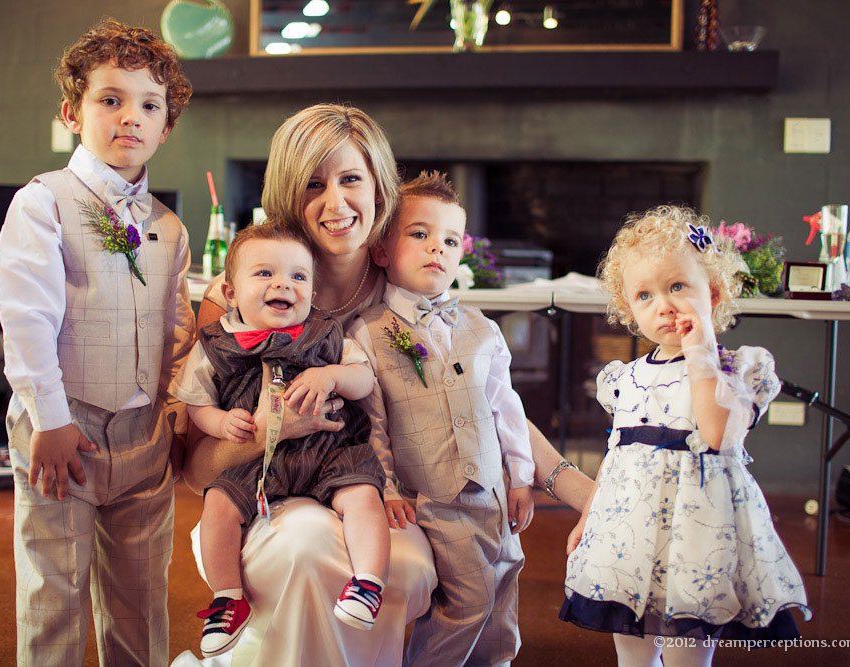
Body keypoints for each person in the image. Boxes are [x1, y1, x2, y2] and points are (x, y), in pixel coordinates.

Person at [181, 103, 593, 666]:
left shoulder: (406, 283)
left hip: (368, 492)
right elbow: (195, 467)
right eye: (312, 184)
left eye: (351, 178)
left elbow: (475, 396)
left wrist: (576, 488)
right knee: (303, 543)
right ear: (285, 194)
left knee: (408, 561)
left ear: (379, 187)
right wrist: (271, 431)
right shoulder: (239, 302)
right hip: (262, 497)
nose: (336, 202)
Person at [0, 20, 195, 666]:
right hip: (64, 431)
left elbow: (175, 330)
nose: (129, 117)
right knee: (56, 591)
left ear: (166, 127)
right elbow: (27, 318)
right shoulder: (42, 203)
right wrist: (49, 420)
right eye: (110, 99)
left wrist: (177, 411)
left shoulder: (169, 226)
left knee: (141, 595)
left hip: (143, 438)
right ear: (73, 113)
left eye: (148, 104)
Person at [559, 205, 811, 666]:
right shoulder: (626, 377)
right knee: (632, 656)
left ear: (712, 294)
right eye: (645, 296)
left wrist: (700, 351)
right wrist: (588, 519)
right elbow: (616, 458)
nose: (664, 304)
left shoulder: (736, 368)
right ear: (630, 310)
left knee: (685, 656)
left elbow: (718, 435)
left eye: (677, 286)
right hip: (627, 535)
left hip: (698, 536)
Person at [170, 223, 390, 656]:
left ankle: (368, 582)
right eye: (265, 274)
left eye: (298, 276)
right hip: (256, 463)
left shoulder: (327, 334)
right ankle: (227, 598)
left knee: (364, 495)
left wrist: (331, 376)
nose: (283, 284)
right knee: (217, 506)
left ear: (312, 292)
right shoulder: (216, 344)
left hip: (328, 451)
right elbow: (196, 399)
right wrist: (219, 424)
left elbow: (363, 379)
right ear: (231, 294)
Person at [348, 170, 533, 665]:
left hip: (493, 491)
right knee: (466, 603)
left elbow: (505, 407)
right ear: (382, 250)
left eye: (451, 240)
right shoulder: (368, 331)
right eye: (420, 234)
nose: (438, 248)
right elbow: (373, 424)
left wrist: (522, 476)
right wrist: (386, 486)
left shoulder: (482, 327)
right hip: (434, 496)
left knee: (504, 586)